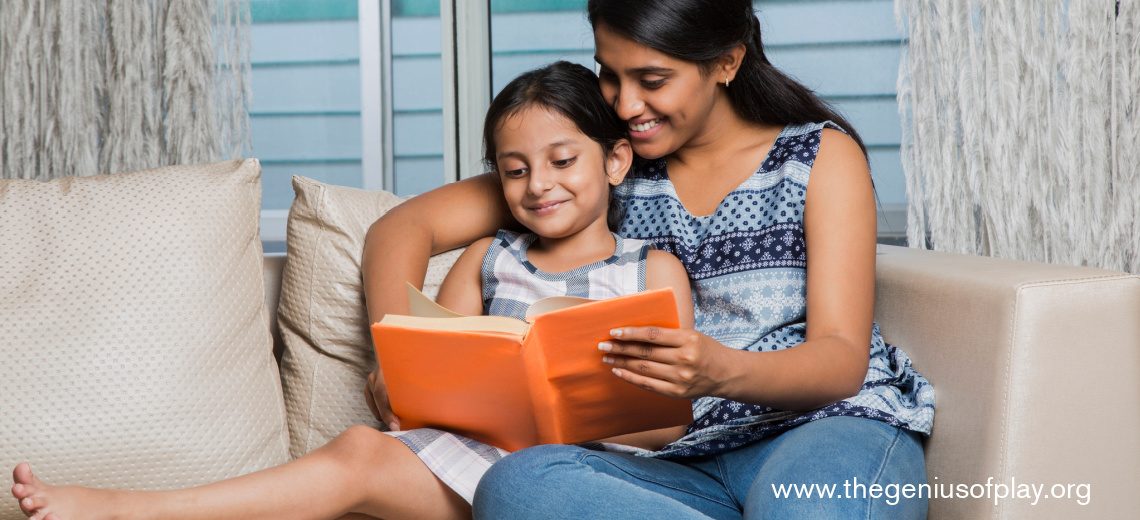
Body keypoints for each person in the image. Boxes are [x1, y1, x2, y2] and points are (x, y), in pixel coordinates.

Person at [8, 61, 692, 520]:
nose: (538, 184)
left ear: (616, 159)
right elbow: (438, 376)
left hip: (601, 476)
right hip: (479, 464)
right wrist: (409, 395)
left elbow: (674, 420)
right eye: (514, 170)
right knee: (359, 452)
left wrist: (580, 403)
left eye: (562, 161)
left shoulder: (652, 271)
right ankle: (126, 508)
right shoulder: (487, 258)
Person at [362, 1, 936, 519]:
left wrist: (720, 370)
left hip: (826, 430)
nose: (625, 103)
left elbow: (840, 361)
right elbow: (401, 228)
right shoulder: (602, 168)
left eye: (652, 79)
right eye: (609, 74)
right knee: (517, 484)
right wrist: (400, 360)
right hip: (678, 468)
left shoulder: (815, 156)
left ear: (728, 62)